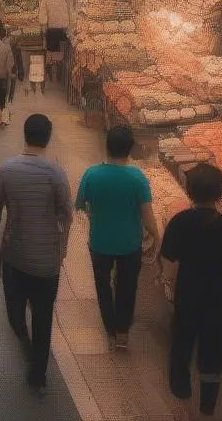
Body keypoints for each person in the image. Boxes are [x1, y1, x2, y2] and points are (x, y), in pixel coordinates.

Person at [0, 114, 73, 395]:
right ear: (48, 137)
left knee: (14, 311)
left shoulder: (5, 169)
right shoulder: (56, 173)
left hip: (14, 257)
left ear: (24, 134)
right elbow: (67, 216)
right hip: (46, 262)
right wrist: (62, 249)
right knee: (44, 316)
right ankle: (37, 367)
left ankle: (30, 355)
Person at [161, 163, 222, 418]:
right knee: (212, 355)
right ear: (221, 193)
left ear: (189, 191)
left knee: (181, 347)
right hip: (218, 304)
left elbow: (168, 261)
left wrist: (167, 283)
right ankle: (207, 407)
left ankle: (182, 398)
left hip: (187, 299)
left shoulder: (180, 222)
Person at [75, 125, 160, 351]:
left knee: (103, 286)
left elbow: (80, 205)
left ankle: (110, 327)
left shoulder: (92, 174)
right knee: (127, 286)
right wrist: (155, 235)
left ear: (107, 146)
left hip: (99, 242)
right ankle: (122, 333)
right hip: (130, 244)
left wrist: (96, 212)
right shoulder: (137, 178)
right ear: (130, 149)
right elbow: (148, 217)